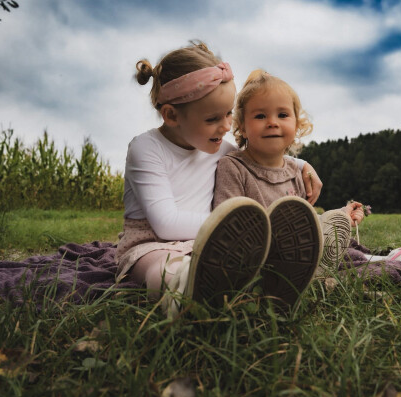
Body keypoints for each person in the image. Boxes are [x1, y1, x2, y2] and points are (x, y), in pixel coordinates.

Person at [114, 41, 323, 317]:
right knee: (163, 267)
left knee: (233, 262)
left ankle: (264, 288)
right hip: (152, 244)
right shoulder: (146, 148)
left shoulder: (216, 145)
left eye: (228, 114)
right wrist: (247, 229)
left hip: (215, 245)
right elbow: (165, 224)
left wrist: (302, 165)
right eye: (213, 118)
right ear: (172, 115)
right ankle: (185, 294)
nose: (226, 127)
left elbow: (257, 156)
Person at [213, 70, 401, 288]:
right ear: (242, 127)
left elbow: (303, 225)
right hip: (263, 261)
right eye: (260, 116)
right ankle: (374, 270)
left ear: (297, 125)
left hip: (306, 254)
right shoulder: (233, 167)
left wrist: (340, 216)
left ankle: (397, 260)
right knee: (334, 259)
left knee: (348, 255)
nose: (273, 122)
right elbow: (226, 224)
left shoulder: (296, 172)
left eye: (283, 114)